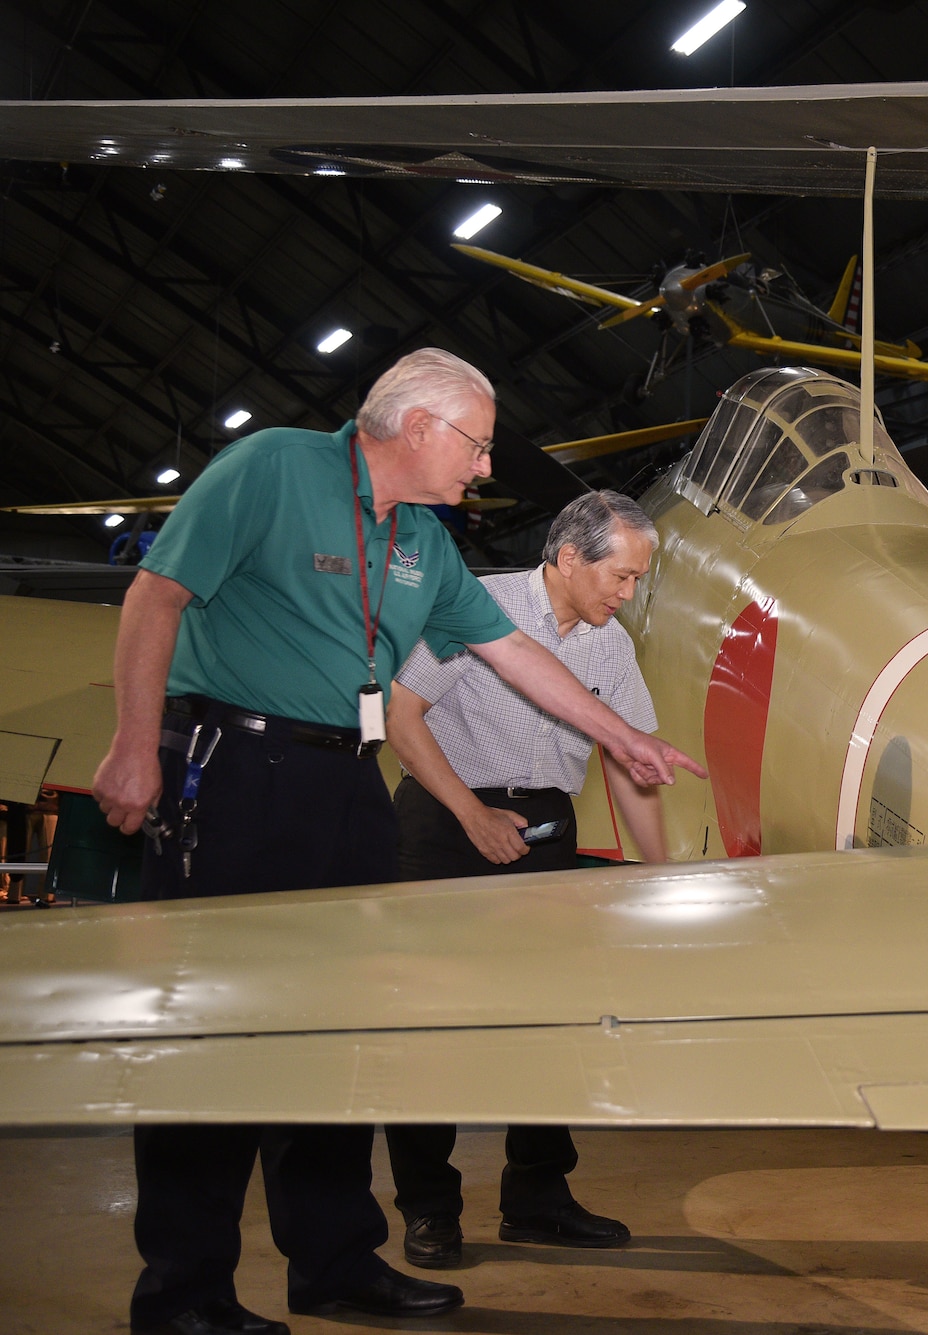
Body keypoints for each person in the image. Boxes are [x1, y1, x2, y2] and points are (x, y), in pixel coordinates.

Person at [91, 349, 705, 1335]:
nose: (484, 469)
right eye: (478, 446)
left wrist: (626, 738)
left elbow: (515, 657)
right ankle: (183, 1295)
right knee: (214, 1037)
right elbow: (155, 596)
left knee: (341, 1034)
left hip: (347, 782)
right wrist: (133, 742)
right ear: (420, 426)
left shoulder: (423, 541)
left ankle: (335, 1263)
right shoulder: (274, 468)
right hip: (236, 765)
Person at [382, 490, 666, 1269]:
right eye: (623, 575)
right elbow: (403, 720)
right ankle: (429, 1207)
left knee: (550, 1022)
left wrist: (662, 871)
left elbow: (630, 756)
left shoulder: (611, 647)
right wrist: (471, 813)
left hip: (544, 830)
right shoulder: (474, 608)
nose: (628, 593)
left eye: (639, 580)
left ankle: (536, 1197)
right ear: (569, 557)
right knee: (430, 1025)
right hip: (444, 819)